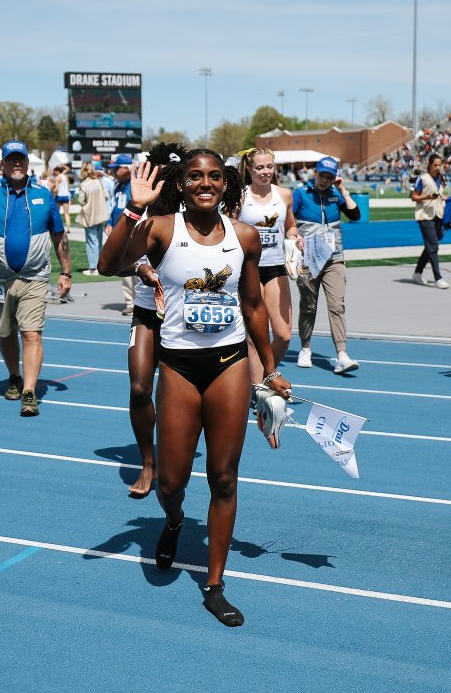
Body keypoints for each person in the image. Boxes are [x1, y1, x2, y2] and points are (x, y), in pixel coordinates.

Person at [98, 149, 291, 627]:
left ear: (225, 184)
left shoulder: (245, 236)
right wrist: (133, 209)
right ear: (180, 184)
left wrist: (268, 369)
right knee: (171, 482)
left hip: (228, 365)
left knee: (224, 478)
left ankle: (215, 584)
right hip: (179, 368)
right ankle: (175, 519)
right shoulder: (162, 229)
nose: (204, 183)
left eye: (213, 177)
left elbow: (252, 307)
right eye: (194, 177)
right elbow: (107, 265)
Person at [102, 141, 184, 498]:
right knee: (139, 388)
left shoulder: (194, 207)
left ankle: (173, 456)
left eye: (173, 173)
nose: (165, 179)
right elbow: (113, 259)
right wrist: (140, 267)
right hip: (147, 311)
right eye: (160, 171)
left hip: (184, 316)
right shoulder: (141, 207)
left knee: (174, 395)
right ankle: (148, 462)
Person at [0, 140, 72, 416]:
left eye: (20, 160)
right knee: (5, 331)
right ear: (2, 164)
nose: (16, 164)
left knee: (31, 333)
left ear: (27, 163)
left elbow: (59, 235)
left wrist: (66, 272)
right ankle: (14, 376)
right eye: (11, 159)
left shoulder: (43, 194)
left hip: (34, 277)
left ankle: (29, 391)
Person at [292, 156, 361, 374]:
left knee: (337, 305)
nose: (325, 180)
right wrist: (294, 237)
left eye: (330, 177)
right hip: (309, 258)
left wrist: (343, 190)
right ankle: (305, 348)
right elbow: (288, 221)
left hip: (334, 258)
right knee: (309, 305)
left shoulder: (336, 195)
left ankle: (342, 354)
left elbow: (356, 215)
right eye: (322, 175)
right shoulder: (300, 194)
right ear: (315, 172)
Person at [237, 147, 298, 388]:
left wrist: (295, 239)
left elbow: (291, 226)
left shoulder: (284, 195)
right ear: (250, 170)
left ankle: (266, 376)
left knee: (283, 336)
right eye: (260, 167)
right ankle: (258, 390)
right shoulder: (240, 196)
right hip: (248, 269)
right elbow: (228, 228)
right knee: (255, 336)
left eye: (269, 167)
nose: (265, 172)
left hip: (276, 267)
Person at [411, 155, 451, 288]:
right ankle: (438, 278)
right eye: (435, 165)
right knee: (433, 246)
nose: (438, 167)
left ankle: (417, 272)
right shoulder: (422, 179)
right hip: (425, 216)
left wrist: (448, 198)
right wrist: (426, 197)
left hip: (438, 215)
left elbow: (440, 194)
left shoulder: (440, 178)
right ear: (429, 164)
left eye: (440, 165)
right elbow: (414, 196)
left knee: (430, 246)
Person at [105, 154, 135, 315]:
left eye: (117, 168)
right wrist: (109, 223)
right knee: (126, 268)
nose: (114, 171)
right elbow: (114, 207)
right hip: (121, 232)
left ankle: (144, 302)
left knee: (139, 267)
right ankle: (130, 301)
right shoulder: (118, 186)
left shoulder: (135, 185)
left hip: (135, 231)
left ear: (127, 168)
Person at [75, 163, 110, 275]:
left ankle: (93, 268)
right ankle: (99, 266)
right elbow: (106, 195)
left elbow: (81, 201)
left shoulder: (84, 185)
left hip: (89, 215)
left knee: (91, 242)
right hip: (100, 215)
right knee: (98, 241)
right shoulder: (98, 182)